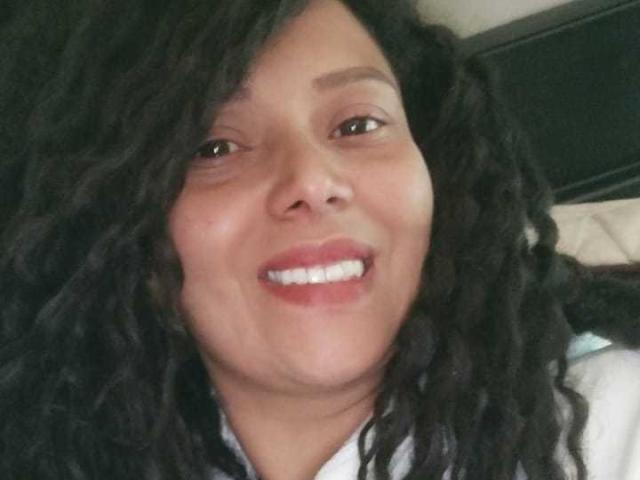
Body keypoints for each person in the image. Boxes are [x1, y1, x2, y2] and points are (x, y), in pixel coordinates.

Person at [1, 0, 639, 479]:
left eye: (357, 124)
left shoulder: (618, 423)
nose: (311, 180)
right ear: (111, 228)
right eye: (214, 146)